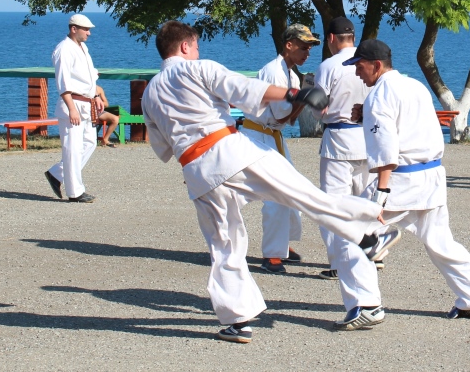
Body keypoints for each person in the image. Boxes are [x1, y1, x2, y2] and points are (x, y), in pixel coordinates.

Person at [140, 21, 395, 344]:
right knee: (305, 196)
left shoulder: (150, 93)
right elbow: (245, 90)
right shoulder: (197, 69)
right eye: (197, 46)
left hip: (196, 170)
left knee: (224, 246)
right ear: (186, 46)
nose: (198, 52)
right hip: (232, 151)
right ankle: (370, 234)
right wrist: (297, 93)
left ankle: (237, 321)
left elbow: (162, 149)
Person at [332, 39, 470, 331]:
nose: (357, 72)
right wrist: (366, 114)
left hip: (401, 179)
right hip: (431, 175)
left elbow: (386, 149)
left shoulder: (378, 96)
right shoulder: (414, 86)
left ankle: (366, 305)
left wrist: (380, 194)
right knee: (440, 241)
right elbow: (409, 124)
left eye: (359, 66)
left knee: (350, 231)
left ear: (376, 65)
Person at [239, 24, 321, 274]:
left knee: (290, 189)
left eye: (310, 48)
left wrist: (303, 97)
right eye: (303, 47)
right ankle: (272, 254)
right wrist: (303, 97)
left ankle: (281, 244)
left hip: (273, 136)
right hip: (257, 135)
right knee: (275, 194)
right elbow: (281, 115)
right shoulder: (274, 72)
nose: (307, 52)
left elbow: (291, 119)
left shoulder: (292, 75)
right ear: (289, 45)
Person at [312, 17, 378, 287]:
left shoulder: (328, 66)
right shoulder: (368, 62)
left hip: (338, 139)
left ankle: (339, 262)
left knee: (334, 202)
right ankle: (373, 249)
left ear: (331, 38)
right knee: (366, 199)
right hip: (367, 137)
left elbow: (318, 106)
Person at [45, 13, 104, 203]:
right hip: (73, 103)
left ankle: (57, 173)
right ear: (74, 29)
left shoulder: (83, 48)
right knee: (72, 147)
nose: (89, 33)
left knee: (90, 143)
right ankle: (75, 192)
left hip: (86, 102)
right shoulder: (63, 50)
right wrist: (71, 108)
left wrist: (96, 95)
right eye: (86, 29)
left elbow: (89, 76)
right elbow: (63, 82)